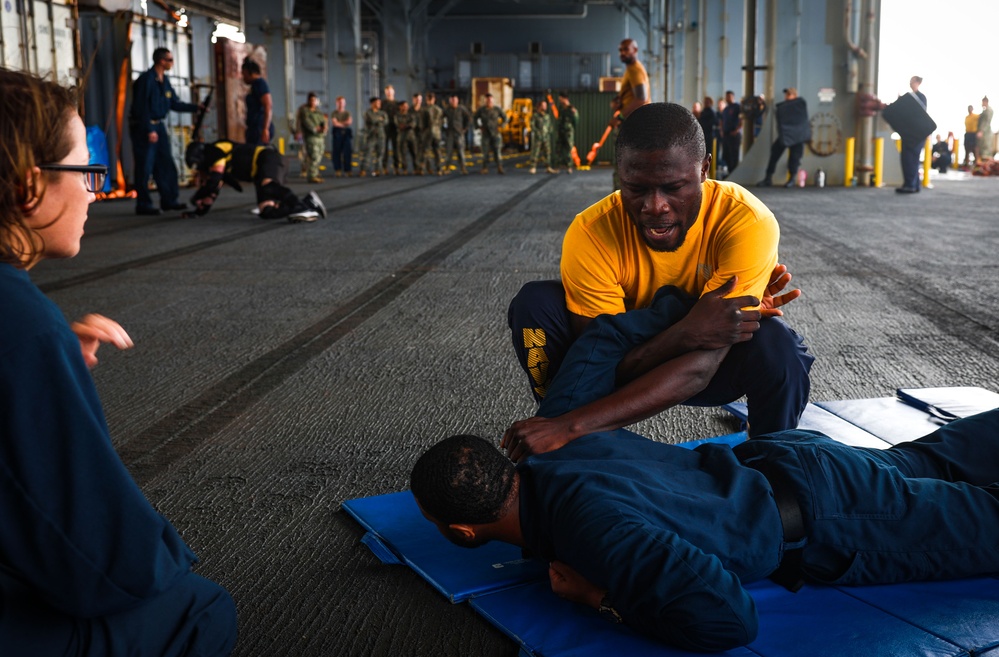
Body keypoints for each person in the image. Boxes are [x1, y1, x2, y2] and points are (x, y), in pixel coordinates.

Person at [411, 407, 999, 652]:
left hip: (838, 516)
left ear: (463, 532)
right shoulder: (561, 450)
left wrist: (599, 597)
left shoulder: (591, 531)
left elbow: (728, 619)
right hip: (794, 459)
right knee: (936, 464)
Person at [0, 67, 237, 656]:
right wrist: (38, 355)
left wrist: (44, 377)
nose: (94, 190)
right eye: (85, 172)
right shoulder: (20, 324)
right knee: (198, 611)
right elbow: (96, 562)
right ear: (31, 186)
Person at [506, 103, 812, 457]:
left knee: (780, 348)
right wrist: (687, 332)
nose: (655, 206)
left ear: (705, 170)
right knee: (535, 306)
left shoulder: (745, 221)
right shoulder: (591, 232)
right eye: (635, 189)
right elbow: (595, 365)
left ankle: (772, 462)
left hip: (702, 369)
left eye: (673, 187)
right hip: (616, 371)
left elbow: (701, 367)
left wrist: (574, 425)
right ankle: (561, 427)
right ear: (619, 174)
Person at [129, 47, 202, 216]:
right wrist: (149, 129)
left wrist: (196, 108)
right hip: (145, 127)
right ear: (161, 61)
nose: (172, 63)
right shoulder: (146, 80)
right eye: (169, 60)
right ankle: (143, 204)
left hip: (159, 126)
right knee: (145, 166)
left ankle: (169, 200)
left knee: (166, 164)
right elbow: (140, 107)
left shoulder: (165, 81)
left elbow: (174, 103)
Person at [183, 139, 326, 223]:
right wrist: (198, 211)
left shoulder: (213, 151)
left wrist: (196, 197)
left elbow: (213, 182)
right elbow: (213, 190)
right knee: (266, 212)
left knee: (268, 186)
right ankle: (306, 205)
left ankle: (302, 206)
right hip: (259, 172)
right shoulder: (215, 166)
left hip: (267, 158)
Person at [610, 38, 650, 189]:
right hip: (632, 124)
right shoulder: (630, 70)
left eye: (626, 49)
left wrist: (619, 117)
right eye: (620, 50)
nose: (622, 53)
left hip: (633, 125)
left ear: (635, 50)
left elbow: (641, 98)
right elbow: (633, 96)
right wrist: (618, 101)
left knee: (625, 166)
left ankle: (623, 205)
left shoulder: (635, 69)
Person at [758, 88, 811, 188]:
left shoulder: (800, 105)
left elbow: (801, 120)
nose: (787, 96)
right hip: (786, 135)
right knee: (774, 153)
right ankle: (768, 178)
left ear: (794, 95)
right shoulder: (783, 107)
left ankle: (791, 179)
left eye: (789, 94)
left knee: (794, 158)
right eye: (786, 94)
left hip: (797, 136)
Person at [896, 75, 926, 194]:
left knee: (910, 159)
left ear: (918, 82)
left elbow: (919, 113)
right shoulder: (907, 97)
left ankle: (910, 185)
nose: (910, 83)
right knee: (909, 158)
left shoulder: (921, 97)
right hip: (908, 132)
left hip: (916, 134)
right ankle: (913, 184)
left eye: (912, 81)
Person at [295, 92, 327, 183]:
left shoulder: (319, 112)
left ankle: (315, 173)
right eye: (311, 100)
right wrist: (316, 129)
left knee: (319, 156)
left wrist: (324, 128)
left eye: (315, 100)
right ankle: (311, 176)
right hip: (310, 136)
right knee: (313, 156)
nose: (313, 102)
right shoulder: (304, 111)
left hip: (320, 137)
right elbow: (307, 123)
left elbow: (323, 121)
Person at [241, 58, 273, 146]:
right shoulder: (254, 86)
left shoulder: (260, 84)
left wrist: (265, 129)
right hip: (254, 127)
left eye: (244, 74)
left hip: (259, 128)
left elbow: (268, 105)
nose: (243, 77)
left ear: (249, 72)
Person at [474, 93, 506, 175]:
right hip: (486, 134)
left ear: (493, 101)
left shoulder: (497, 109)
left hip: (495, 133)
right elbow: (474, 118)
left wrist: (501, 126)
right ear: (485, 101)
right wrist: (478, 127)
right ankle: (485, 168)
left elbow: (505, 118)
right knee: (485, 152)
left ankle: (500, 167)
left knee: (497, 151)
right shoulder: (481, 110)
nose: (489, 102)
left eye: (490, 100)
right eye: (487, 100)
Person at [442, 93, 472, 175]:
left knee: (461, 152)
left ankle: (463, 168)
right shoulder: (447, 110)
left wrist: (465, 129)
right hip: (450, 133)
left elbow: (469, 118)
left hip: (459, 133)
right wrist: (444, 129)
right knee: (448, 152)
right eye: (451, 100)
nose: (453, 102)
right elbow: (442, 119)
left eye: (454, 100)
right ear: (449, 101)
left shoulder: (461, 109)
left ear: (457, 100)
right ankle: (447, 168)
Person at [360, 96, 388, 178]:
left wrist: (378, 119)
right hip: (371, 136)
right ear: (372, 103)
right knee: (367, 154)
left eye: (380, 102)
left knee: (380, 154)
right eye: (377, 102)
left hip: (381, 136)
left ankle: (377, 170)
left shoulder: (383, 113)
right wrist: (379, 119)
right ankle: (363, 170)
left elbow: (386, 121)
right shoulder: (368, 113)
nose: (379, 104)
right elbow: (372, 120)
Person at [420, 92, 444, 175]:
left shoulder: (424, 110)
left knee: (425, 151)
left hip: (428, 132)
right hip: (437, 133)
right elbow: (441, 122)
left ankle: (423, 169)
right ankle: (439, 169)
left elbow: (422, 123)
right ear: (434, 99)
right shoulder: (439, 110)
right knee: (437, 151)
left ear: (427, 100)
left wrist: (423, 131)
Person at [528, 99, 555, 175]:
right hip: (538, 138)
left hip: (546, 138)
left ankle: (548, 167)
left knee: (547, 153)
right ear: (539, 106)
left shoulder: (547, 116)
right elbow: (532, 125)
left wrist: (549, 131)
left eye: (546, 105)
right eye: (543, 105)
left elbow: (550, 126)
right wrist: (537, 133)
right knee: (535, 152)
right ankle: (533, 167)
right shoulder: (535, 116)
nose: (545, 107)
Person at [554, 92, 578, 174]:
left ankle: (569, 167)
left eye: (561, 99)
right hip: (560, 132)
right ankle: (557, 167)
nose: (560, 101)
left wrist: (571, 130)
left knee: (568, 149)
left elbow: (575, 121)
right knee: (558, 149)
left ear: (565, 99)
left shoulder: (571, 109)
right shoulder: (560, 108)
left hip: (568, 132)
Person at [394, 99, 420, 175]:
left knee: (415, 153)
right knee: (402, 154)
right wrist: (407, 125)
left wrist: (405, 125)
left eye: (406, 106)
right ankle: (404, 169)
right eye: (403, 106)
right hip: (402, 137)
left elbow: (413, 124)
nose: (405, 107)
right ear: (400, 107)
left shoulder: (411, 115)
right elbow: (398, 124)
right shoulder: (397, 115)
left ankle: (416, 168)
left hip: (411, 136)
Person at [720, 90, 742, 175]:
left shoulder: (737, 107)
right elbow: (722, 121)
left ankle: (734, 173)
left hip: (734, 135)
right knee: (727, 155)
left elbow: (741, 119)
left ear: (733, 97)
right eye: (726, 96)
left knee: (734, 155)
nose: (727, 98)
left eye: (729, 96)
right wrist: (722, 131)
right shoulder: (726, 109)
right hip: (726, 135)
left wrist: (737, 130)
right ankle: (729, 172)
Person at [331, 95, 353, 177]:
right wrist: (343, 123)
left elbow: (349, 122)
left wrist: (340, 123)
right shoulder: (334, 113)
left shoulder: (347, 113)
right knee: (336, 152)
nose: (341, 104)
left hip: (346, 133)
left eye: (342, 102)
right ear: (337, 103)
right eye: (339, 102)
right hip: (337, 133)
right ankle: (338, 170)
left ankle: (348, 170)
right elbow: (335, 123)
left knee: (347, 152)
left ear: (345, 103)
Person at [382, 85, 400, 175]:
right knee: (384, 149)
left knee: (396, 148)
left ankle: (396, 167)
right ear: (385, 93)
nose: (389, 93)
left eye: (390, 91)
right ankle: (384, 167)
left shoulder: (397, 104)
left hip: (395, 128)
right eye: (387, 91)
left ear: (394, 92)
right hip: (385, 128)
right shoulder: (382, 104)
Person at [697, 95, 717, 164]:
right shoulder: (702, 112)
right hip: (702, 135)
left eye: (707, 102)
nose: (706, 103)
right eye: (705, 102)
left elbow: (713, 123)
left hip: (708, 136)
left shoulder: (712, 113)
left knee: (708, 153)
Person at [963, 104, 979, 168]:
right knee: (967, 149)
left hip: (973, 134)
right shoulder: (967, 117)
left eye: (970, 108)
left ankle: (976, 163)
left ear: (972, 109)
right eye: (968, 108)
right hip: (967, 134)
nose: (969, 110)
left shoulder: (976, 116)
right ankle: (966, 164)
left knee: (974, 148)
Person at [978, 95, 994, 162]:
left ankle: (986, 164)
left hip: (986, 133)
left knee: (986, 149)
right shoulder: (985, 110)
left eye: (982, 102)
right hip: (984, 132)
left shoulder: (988, 110)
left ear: (985, 101)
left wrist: (981, 131)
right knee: (982, 148)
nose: (982, 104)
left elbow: (986, 122)